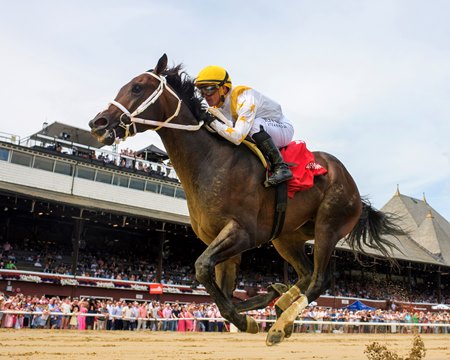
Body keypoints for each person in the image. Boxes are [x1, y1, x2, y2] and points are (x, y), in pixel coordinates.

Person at [194, 65, 293, 186]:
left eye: (209, 89)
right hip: (263, 129)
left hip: (282, 128)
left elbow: (237, 137)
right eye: (201, 91)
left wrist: (212, 122)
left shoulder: (245, 99)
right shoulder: (216, 107)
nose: (205, 95)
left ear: (224, 89)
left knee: (253, 125)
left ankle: (281, 167)